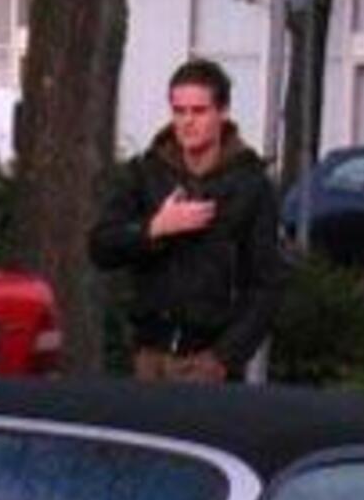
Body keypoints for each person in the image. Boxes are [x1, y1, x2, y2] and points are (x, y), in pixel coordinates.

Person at [89, 58, 288, 383]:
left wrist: (225, 357)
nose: (187, 122)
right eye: (179, 111)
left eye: (198, 111)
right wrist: (154, 229)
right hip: (149, 354)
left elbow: (267, 284)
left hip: (209, 358)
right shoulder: (146, 173)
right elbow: (100, 246)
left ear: (222, 113)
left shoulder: (250, 185)